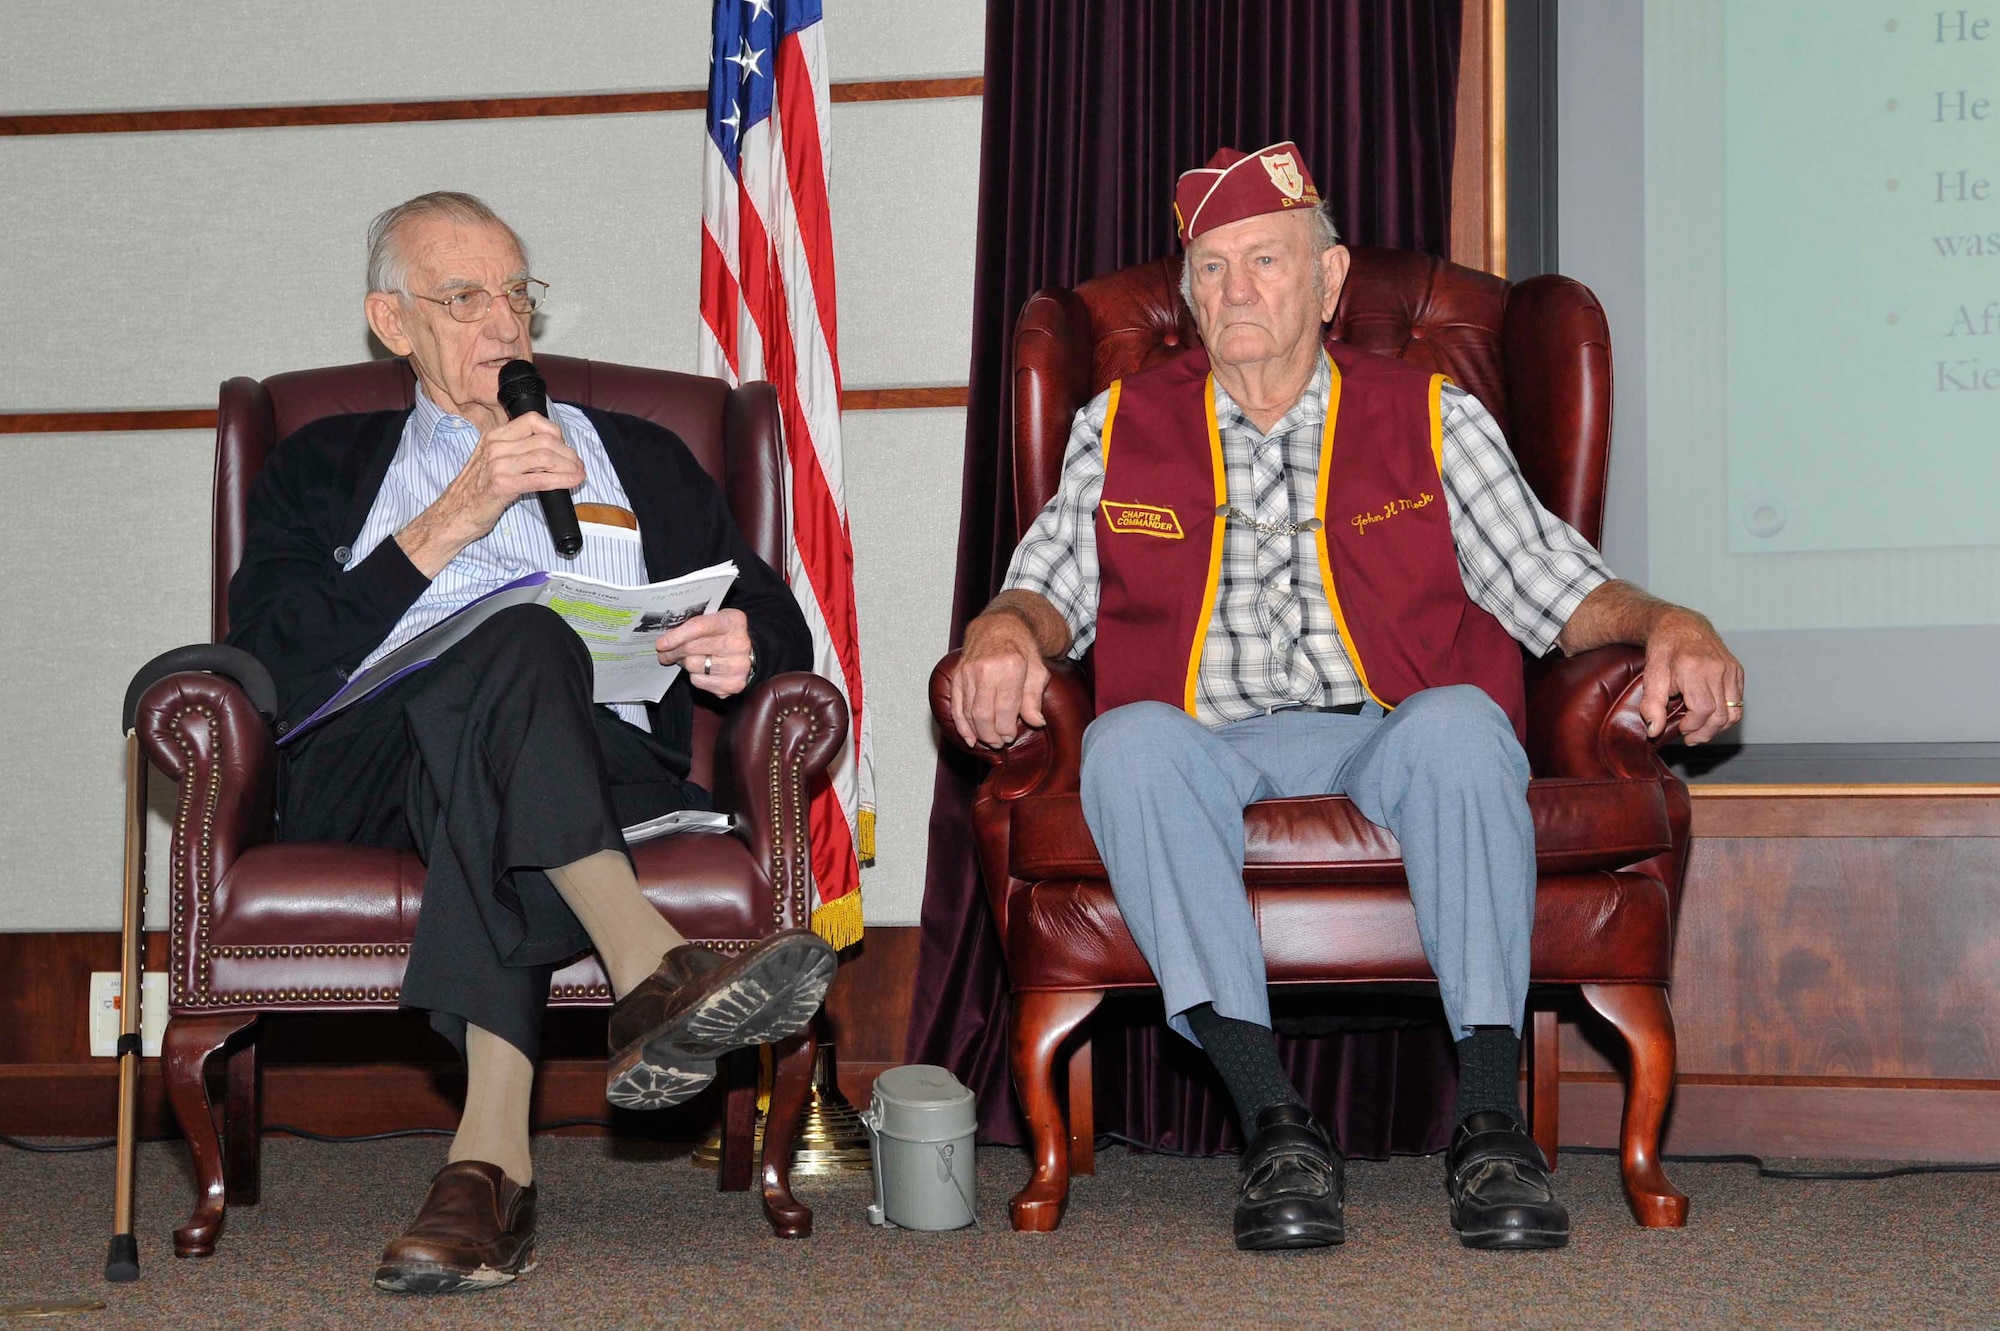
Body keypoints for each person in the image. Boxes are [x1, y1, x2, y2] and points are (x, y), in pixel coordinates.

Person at [948, 143, 1744, 1253]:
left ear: (1328, 284)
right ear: (1186, 296)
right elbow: (1044, 590)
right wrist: (1000, 627)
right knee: (1125, 747)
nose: (1235, 291)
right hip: (1204, 741)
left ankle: (1487, 1117)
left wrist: (1670, 623)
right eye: (1211, 269)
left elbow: (1554, 586)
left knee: (1465, 725)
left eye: (1264, 262)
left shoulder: (1432, 411)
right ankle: (1272, 1118)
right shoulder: (1117, 422)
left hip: (1388, 736)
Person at [227, 191, 832, 1293]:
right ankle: (647, 959)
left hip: (592, 761)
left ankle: (489, 1163)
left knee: (511, 712)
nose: (502, 321)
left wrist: (743, 643)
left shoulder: (639, 458)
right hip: (367, 764)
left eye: (516, 292)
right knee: (514, 628)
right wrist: (456, 513)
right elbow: (271, 656)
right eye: (463, 297)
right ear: (392, 321)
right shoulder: (321, 463)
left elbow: (769, 608)